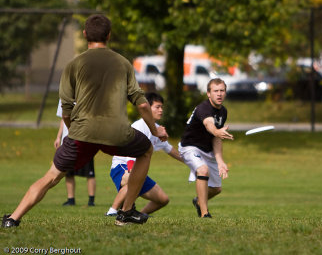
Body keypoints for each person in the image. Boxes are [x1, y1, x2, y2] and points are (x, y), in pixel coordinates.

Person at [2, 14, 168, 228]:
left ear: (84, 35)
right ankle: (126, 212)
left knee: (52, 176)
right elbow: (143, 105)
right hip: (116, 134)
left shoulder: (74, 64)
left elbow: (66, 108)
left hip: (81, 133)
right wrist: (155, 132)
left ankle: (13, 219)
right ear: (109, 35)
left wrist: (73, 132)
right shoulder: (122, 63)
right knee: (145, 150)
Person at [105, 92, 183, 216]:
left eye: (162, 107)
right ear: (147, 108)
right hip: (121, 166)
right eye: (157, 107)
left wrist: (190, 162)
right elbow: (130, 152)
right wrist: (131, 170)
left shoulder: (156, 129)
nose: (161, 110)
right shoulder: (139, 126)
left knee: (163, 199)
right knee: (133, 180)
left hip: (137, 170)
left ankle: (136, 214)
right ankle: (112, 211)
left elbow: (169, 149)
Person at [179, 78, 234, 218]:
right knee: (203, 170)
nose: (219, 94)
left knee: (216, 189)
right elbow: (210, 125)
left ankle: (198, 201)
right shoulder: (203, 108)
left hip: (207, 150)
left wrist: (220, 161)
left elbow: (216, 139)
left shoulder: (223, 111)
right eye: (216, 91)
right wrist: (217, 131)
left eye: (222, 91)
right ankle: (204, 213)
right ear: (209, 94)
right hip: (190, 147)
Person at [54, 99, 96, 206]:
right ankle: (70, 199)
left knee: (89, 172)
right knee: (68, 172)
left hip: (85, 139)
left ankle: (91, 200)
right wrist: (58, 137)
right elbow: (63, 119)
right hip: (68, 140)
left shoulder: (87, 93)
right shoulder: (64, 97)